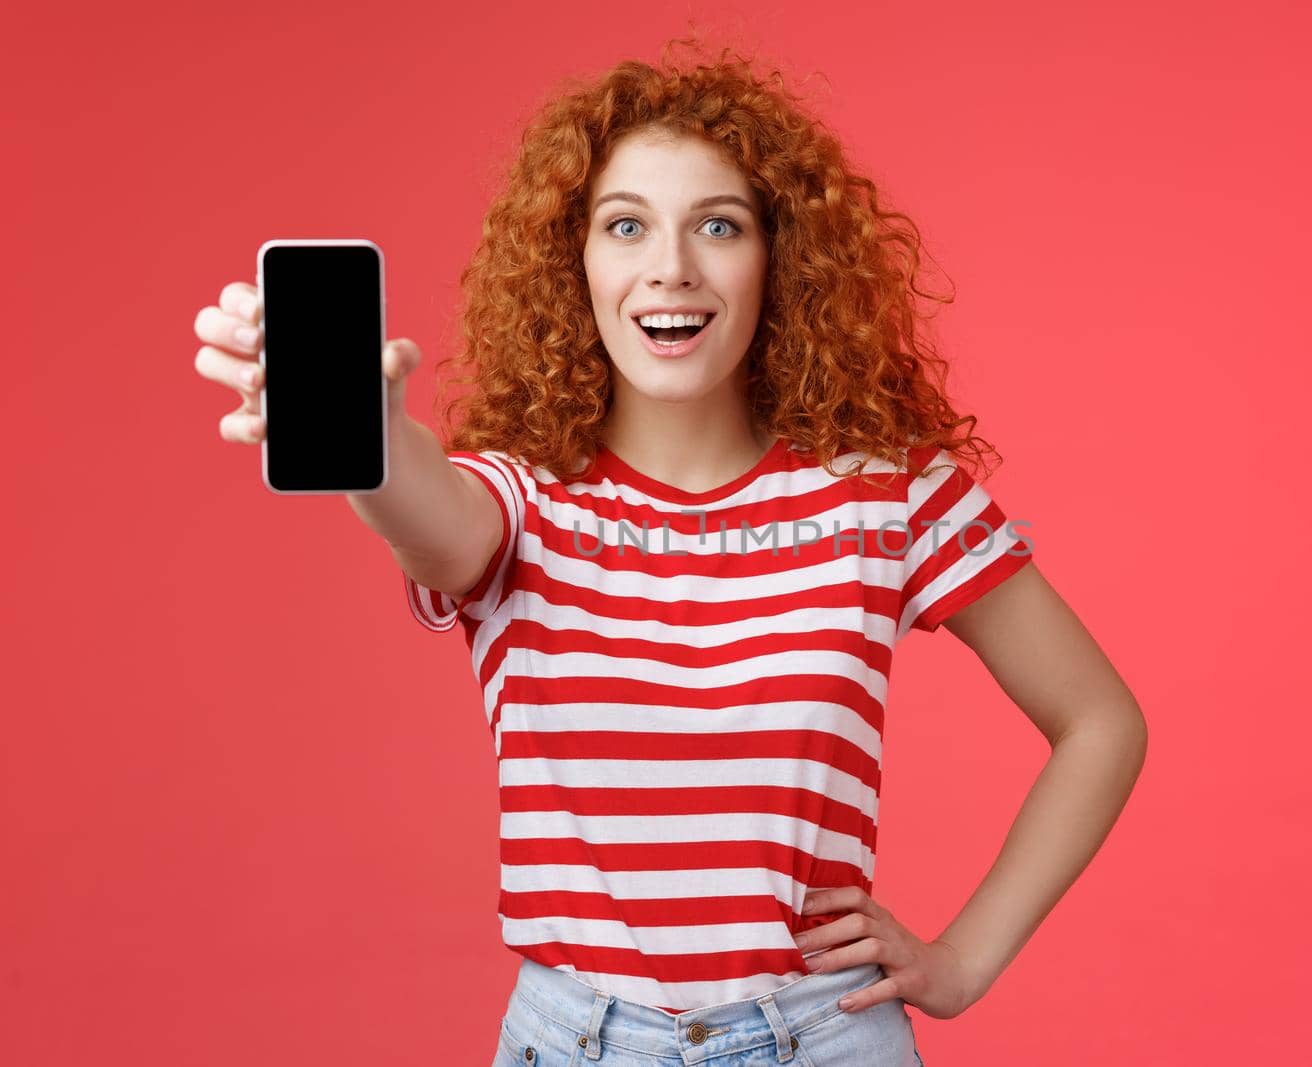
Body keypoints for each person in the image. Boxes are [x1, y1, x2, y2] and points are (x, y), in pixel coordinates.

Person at [194, 37, 1146, 1067]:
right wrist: (369, 439)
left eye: (718, 225)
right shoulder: (522, 502)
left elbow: (1099, 719)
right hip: (573, 1043)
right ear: (577, 262)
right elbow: (429, 510)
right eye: (626, 225)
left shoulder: (887, 494)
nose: (671, 268)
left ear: (779, 257)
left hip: (827, 1037)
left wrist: (963, 959)